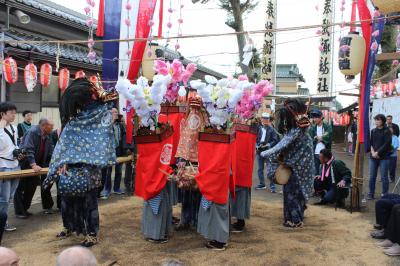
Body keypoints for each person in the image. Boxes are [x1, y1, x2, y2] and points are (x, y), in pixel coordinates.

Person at [43, 78, 117, 247]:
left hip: (89, 169)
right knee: (66, 201)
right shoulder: (73, 122)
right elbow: (64, 146)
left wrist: (111, 116)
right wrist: (63, 162)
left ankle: (92, 233)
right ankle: (69, 226)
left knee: (89, 203)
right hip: (70, 169)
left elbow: (103, 139)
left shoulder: (100, 119)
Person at [261, 99, 314, 228]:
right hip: (300, 167)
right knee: (296, 193)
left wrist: (265, 153)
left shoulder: (297, 131)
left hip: (296, 168)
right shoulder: (301, 129)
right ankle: (293, 217)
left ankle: (294, 220)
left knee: (292, 194)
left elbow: (280, 146)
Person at [174, 96, 207, 231]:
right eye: (192, 106)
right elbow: (183, 139)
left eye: (196, 106)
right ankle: (186, 219)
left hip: (199, 159)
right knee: (187, 191)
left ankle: (197, 220)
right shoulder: (187, 120)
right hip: (187, 158)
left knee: (197, 191)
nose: (194, 109)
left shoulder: (205, 121)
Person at [14, 118, 54, 218]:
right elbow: (28, 149)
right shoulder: (32, 132)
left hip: (37, 165)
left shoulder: (47, 136)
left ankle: (25, 209)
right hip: (26, 163)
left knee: (31, 187)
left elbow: (50, 151)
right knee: (20, 187)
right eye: (51, 126)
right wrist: (33, 164)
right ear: (44, 126)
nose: (52, 128)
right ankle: (19, 212)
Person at [0, 102, 20, 232]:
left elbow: (14, 145)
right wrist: (1, 128)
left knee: (10, 197)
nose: (14, 115)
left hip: (15, 165)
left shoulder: (14, 128)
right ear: (2, 114)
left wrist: (18, 152)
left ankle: (3, 220)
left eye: (14, 112)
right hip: (3, 166)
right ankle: (3, 223)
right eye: (11, 112)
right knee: (4, 198)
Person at [99, 108, 126, 199]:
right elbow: (104, 133)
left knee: (118, 170)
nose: (116, 114)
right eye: (114, 112)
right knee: (108, 171)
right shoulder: (106, 124)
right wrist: (112, 121)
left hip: (118, 149)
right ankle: (107, 189)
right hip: (109, 150)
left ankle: (117, 188)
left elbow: (123, 136)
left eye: (117, 113)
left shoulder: (120, 125)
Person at [368, 114, 392, 200]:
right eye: (375, 120)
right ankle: (371, 194)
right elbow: (371, 143)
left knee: (384, 177)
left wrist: (377, 152)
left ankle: (385, 194)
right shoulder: (373, 131)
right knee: (372, 176)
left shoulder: (387, 131)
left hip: (384, 157)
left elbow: (387, 144)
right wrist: (373, 152)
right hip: (373, 157)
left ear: (383, 121)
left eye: (378, 120)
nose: (376, 122)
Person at [255, 112, 279, 192]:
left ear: (269, 120)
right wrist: (256, 145)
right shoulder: (258, 128)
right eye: (264, 118)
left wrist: (268, 145)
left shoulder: (272, 129)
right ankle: (262, 184)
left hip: (268, 150)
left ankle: (272, 187)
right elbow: (255, 138)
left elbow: (275, 140)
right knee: (260, 169)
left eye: (266, 119)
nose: (265, 120)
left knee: (270, 169)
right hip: (259, 149)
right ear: (261, 119)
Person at [309, 109, 333, 174]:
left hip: (325, 153)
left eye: (316, 117)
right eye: (313, 117)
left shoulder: (327, 127)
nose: (314, 119)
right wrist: (319, 138)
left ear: (321, 117)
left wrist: (318, 138)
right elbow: (310, 139)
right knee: (315, 173)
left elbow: (329, 136)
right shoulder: (312, 128)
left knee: (325, 172)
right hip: (315, 153)